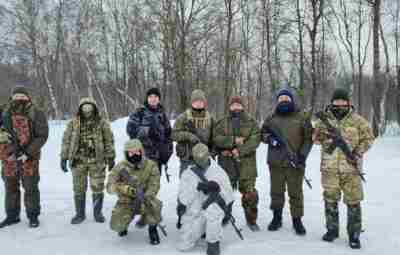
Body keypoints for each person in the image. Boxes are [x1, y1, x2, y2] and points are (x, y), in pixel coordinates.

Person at [313, 88, 375, 249]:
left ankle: (354, 235)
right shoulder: (323, 120)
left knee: (353, 201)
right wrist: (323, 134)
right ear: (332, 102)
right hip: (329, 168)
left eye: (342, 101)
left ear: (348, 103)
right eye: (336, 101)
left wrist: (357, 152)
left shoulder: (358, 121)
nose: (339, 104)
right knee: (330, 200)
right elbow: (315, 139)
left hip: (351, 170)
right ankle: (332, 230)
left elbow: (369, 138)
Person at [261, 87, 313, 235]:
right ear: (277, 101)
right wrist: (270, 139)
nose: (284, 101)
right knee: (276, 192)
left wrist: (302, 156)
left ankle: (297, 220)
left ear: (291, 100)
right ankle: (276, 218)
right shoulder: (271, 118)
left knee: (295, 193)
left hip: (295, 163)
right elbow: (262, 134)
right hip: (275, 163)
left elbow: (309, 138)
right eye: (281, 99)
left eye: (286, 99)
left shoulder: (301, 117)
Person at [60, 97, 115, 224]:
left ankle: (97, 213)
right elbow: (66, 140)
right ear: (80, 108)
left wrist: (111, 157)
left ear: (94, 107)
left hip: (97, 160)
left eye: (89, 106)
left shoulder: (102, 122)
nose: (87, 108)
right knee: (78, 188)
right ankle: (80, 214)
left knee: (97, 187)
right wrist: (64, 157)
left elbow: (109, 140)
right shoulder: (73, 123)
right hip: (78, 161)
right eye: (84, 106)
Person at [0, 85, 48, 228]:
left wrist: (28, 153)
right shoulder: (4, 111)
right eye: (16, 96)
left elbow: (42, 136)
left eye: (22, 96)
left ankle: (33, 216)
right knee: (10, 187)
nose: (19, 99)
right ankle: (12, 216)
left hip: (29, 157)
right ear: (12, 97)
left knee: (30, 187)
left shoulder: (36, 112)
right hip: (9, 157)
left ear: (28, 97)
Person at [213, 96, 261, 231]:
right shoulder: (221, 122)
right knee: (224, 192)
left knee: (250, 193)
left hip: (247, 164)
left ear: (243, 106)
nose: (235, 107)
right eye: (233, 105)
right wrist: (233, 140)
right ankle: (225, 216)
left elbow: (255, 140)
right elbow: (216, 139)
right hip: (226, 163)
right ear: (229, 107)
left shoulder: (251, 122)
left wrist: (239, 151)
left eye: (238, 105)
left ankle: (251, 220)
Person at [177, 143, 234, 255]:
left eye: (203, 157)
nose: (201, 161)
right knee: (183, 245)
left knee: (213, 209)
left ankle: (213, 242)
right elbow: (183, 199)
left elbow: (229, 196)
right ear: (193, 158)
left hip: (212, 212)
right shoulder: (187, 174)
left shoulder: (218, 172)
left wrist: (218, 189)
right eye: (198, 158)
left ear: (208, 155)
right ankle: (202, 230)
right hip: (195, 212)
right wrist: (197, 187)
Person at [107, 139, 162, 245]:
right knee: (116, 225)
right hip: (127, 201)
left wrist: (147, 195)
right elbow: (109, 187)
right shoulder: (120, 167)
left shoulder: (151, 166)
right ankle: (124, 225)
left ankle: (152, 228)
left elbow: (155, 184)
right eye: (131, 153)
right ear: (126, 154)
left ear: (142, 151)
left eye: (137, 152)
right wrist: (125, 189)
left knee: (155, 206)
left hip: (145, 199)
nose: (134, 155)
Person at [126, 87, 173, 177]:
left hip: (158, 157)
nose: (153, 99)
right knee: (142, 185)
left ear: (159, 99)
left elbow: (168, 134)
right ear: (147, 98)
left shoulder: (162, 114)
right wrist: (147, 131)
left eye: (155, 96)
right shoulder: (139, 112)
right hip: (142, 156)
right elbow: (130, 130)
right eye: (150, 96)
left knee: (154, 185)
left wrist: (167, 151)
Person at [172, 89, 215, 175]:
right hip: (187, 160)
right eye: (196, 101)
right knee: (186, 186)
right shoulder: (183, 117)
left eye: (201, 101)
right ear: (191, 102)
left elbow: (215, 138)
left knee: (204, 186)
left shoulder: (210, 118)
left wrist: (212, 154)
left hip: (204, 159)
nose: (198, 103)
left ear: (204, 103)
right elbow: (173, 134)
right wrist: (188, 135)